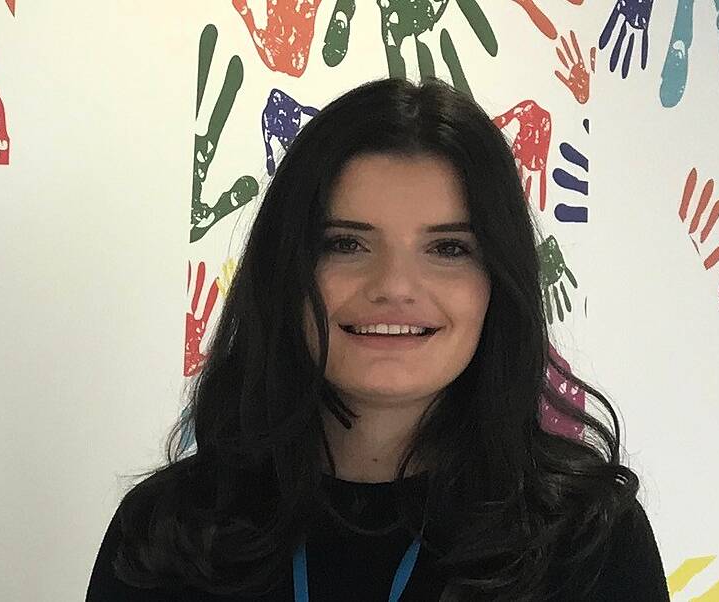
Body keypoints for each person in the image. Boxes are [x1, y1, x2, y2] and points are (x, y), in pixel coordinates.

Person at [86, 76, 670, 601]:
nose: (394, 286)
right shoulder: (169, 534)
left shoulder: (588, 542)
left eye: (448, 249)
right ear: (286, 271)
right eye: (346, 243)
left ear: (499, 283)